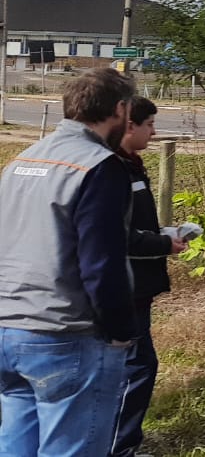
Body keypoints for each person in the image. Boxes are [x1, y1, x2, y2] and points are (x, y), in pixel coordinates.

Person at [0, 67, 138, 457]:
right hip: (66, 337)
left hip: (9, 330)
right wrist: (120, 329)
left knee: (15, 446)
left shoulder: (22, 160)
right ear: (120, 108)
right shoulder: (100, 167)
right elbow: (101, 262)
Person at [112, 97, 187, 457]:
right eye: (150, 124)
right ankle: (119, 447)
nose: (155, 132)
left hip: (136, 286)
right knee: (137, 367)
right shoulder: (112, 171)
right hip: (122, 288)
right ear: (130, 125)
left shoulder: (131, 166)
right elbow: (116, 236)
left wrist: (162, 232)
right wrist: (162, 243)